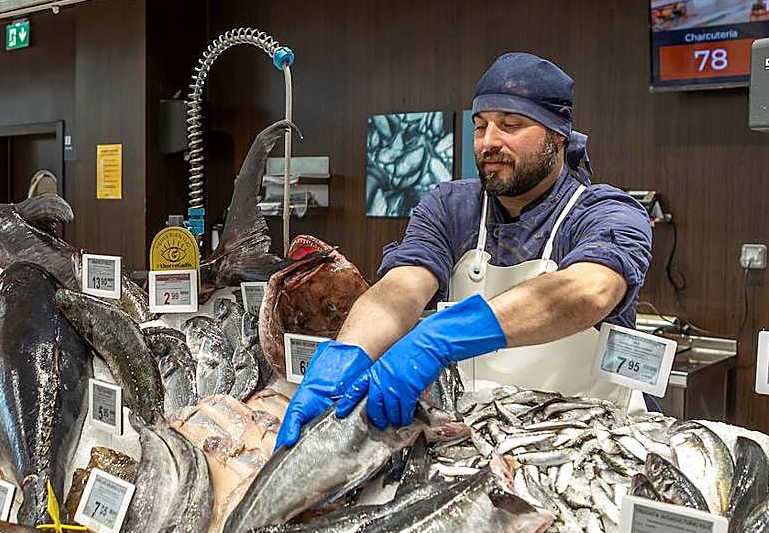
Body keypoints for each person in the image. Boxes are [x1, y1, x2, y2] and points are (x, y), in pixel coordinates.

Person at [274, 53, 653, 449]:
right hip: (477, 441)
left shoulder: (607, 212)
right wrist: (348, 350)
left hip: (590, 442)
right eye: (481, 125)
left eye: (511, 125)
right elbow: (403, 286)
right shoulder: (451, 206)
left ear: (557, 135)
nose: (489, 141)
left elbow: (589, 290)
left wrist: (442, 336)